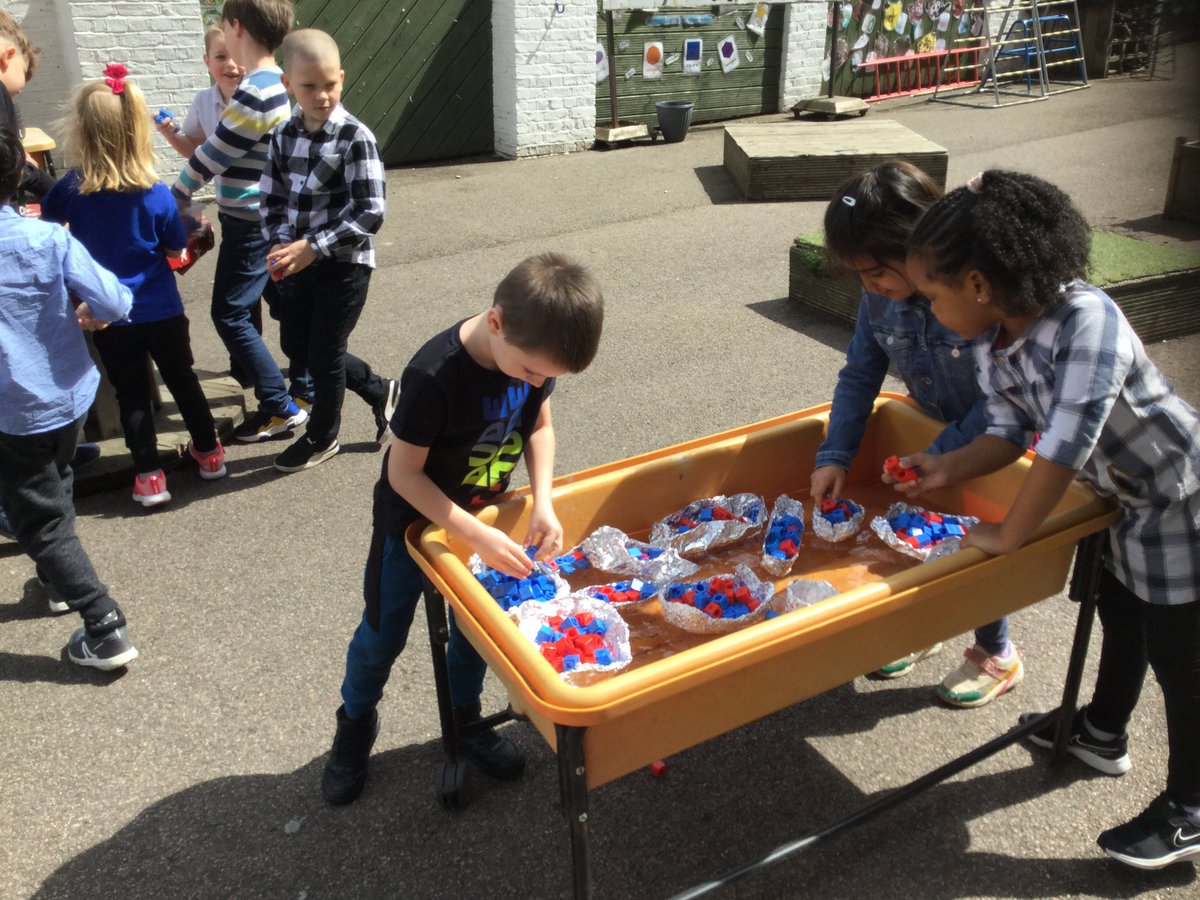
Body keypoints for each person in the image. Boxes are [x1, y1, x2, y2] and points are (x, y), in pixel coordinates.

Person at [901, 169, 1200, 870]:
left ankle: (1190, 807)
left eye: (933, 295)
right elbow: (1008, 431)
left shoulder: (1086, 319)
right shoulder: (996, 337)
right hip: (1123, 500)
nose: (929, 310)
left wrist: (1011, 534)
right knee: (1119, 615)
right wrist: (944, 468)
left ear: (977, 284)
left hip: (1180, 498)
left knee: (1182, 658)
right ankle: (1103, 731)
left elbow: (1067, 440)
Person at [321, 253, 604, 805]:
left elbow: (539, 427)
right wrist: (471, 534)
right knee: (382, 636)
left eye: (548, 377)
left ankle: (464, 718)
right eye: (531, 372)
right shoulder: (433, 374)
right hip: (412, 524)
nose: (538, 382)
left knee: (477, 631)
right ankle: (355, 723)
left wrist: (543, 502)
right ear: (496, 322)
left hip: (485, 519)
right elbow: (403, 474)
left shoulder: (533, 354)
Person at [810, 161, 1020, 707]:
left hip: (990, 443)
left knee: (976, 542)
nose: (870, 286)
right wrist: (834, 454)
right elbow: (859, 374)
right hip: (931, 433)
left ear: (918, 246)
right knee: (924, 533)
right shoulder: (879, 299)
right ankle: (925, 625)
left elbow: (1005, 403)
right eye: (860, 276)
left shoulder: (972, 297)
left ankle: (994, 650)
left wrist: (941, 456)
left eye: (877, 271)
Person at [43, 70, 228, 506]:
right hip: (161, 309)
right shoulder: (156, 193)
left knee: (130, 395)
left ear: (82, 131)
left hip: (106, 313)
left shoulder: (69, 189)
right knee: (182, 380)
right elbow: (176, 245)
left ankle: (148, 476)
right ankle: (209, 455)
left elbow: (50, 228)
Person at [0, 124, 138, 668]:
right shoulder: (47, 237)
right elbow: (113, 297)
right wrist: (98, 313)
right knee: (55, 484)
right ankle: (56, 581)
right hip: (71, 396)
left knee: (41, 518)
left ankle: (103, 623)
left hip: (13, 413)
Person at [171, 0, 310, 442]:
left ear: (235, 28)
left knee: (229, 312)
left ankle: (279, 404)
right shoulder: (268, 84)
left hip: (251, 222)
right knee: (289, 305)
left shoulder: (256, 91)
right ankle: (315, 386)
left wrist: (176, 193)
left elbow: (213, 152)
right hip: (258, 218)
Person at [260, 29, 397, 473]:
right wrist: (282, 243)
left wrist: (312, 248)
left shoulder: (355, 137)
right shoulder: (283, 135)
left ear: (342, 77)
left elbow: (371, 211)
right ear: (287, 85)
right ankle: (381, 391)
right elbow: (272, 195)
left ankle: (323, 436)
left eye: (330, 85)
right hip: (297, 261)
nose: (321, 96)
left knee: (324, 350)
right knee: (297, 344)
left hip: (344, 265)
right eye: (309, 87)